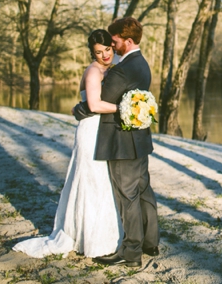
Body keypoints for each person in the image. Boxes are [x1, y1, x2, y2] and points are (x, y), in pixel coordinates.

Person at [14, 30, 122, 258]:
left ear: (113, 47)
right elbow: (93, 104)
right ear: (92, 53)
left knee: (102, 184)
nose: (104, 55)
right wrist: (126, 109)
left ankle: (103, 235)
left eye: (107, 50)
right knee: (90, 183)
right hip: (91, 132)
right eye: (98, 52)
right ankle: (89, 238)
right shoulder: (93, 71)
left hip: (102, 132)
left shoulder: (111, 68)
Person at [73, 17, 159, 268]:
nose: (112, 45)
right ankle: (150, 242)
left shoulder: (123, 69)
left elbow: (99, 102)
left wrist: (80, 108)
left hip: (122, 142)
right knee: (143, 191)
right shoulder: (141, 64)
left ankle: (131, 253)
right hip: (139, 139)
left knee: (127, 195)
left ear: (128, 41)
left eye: (115, 41)